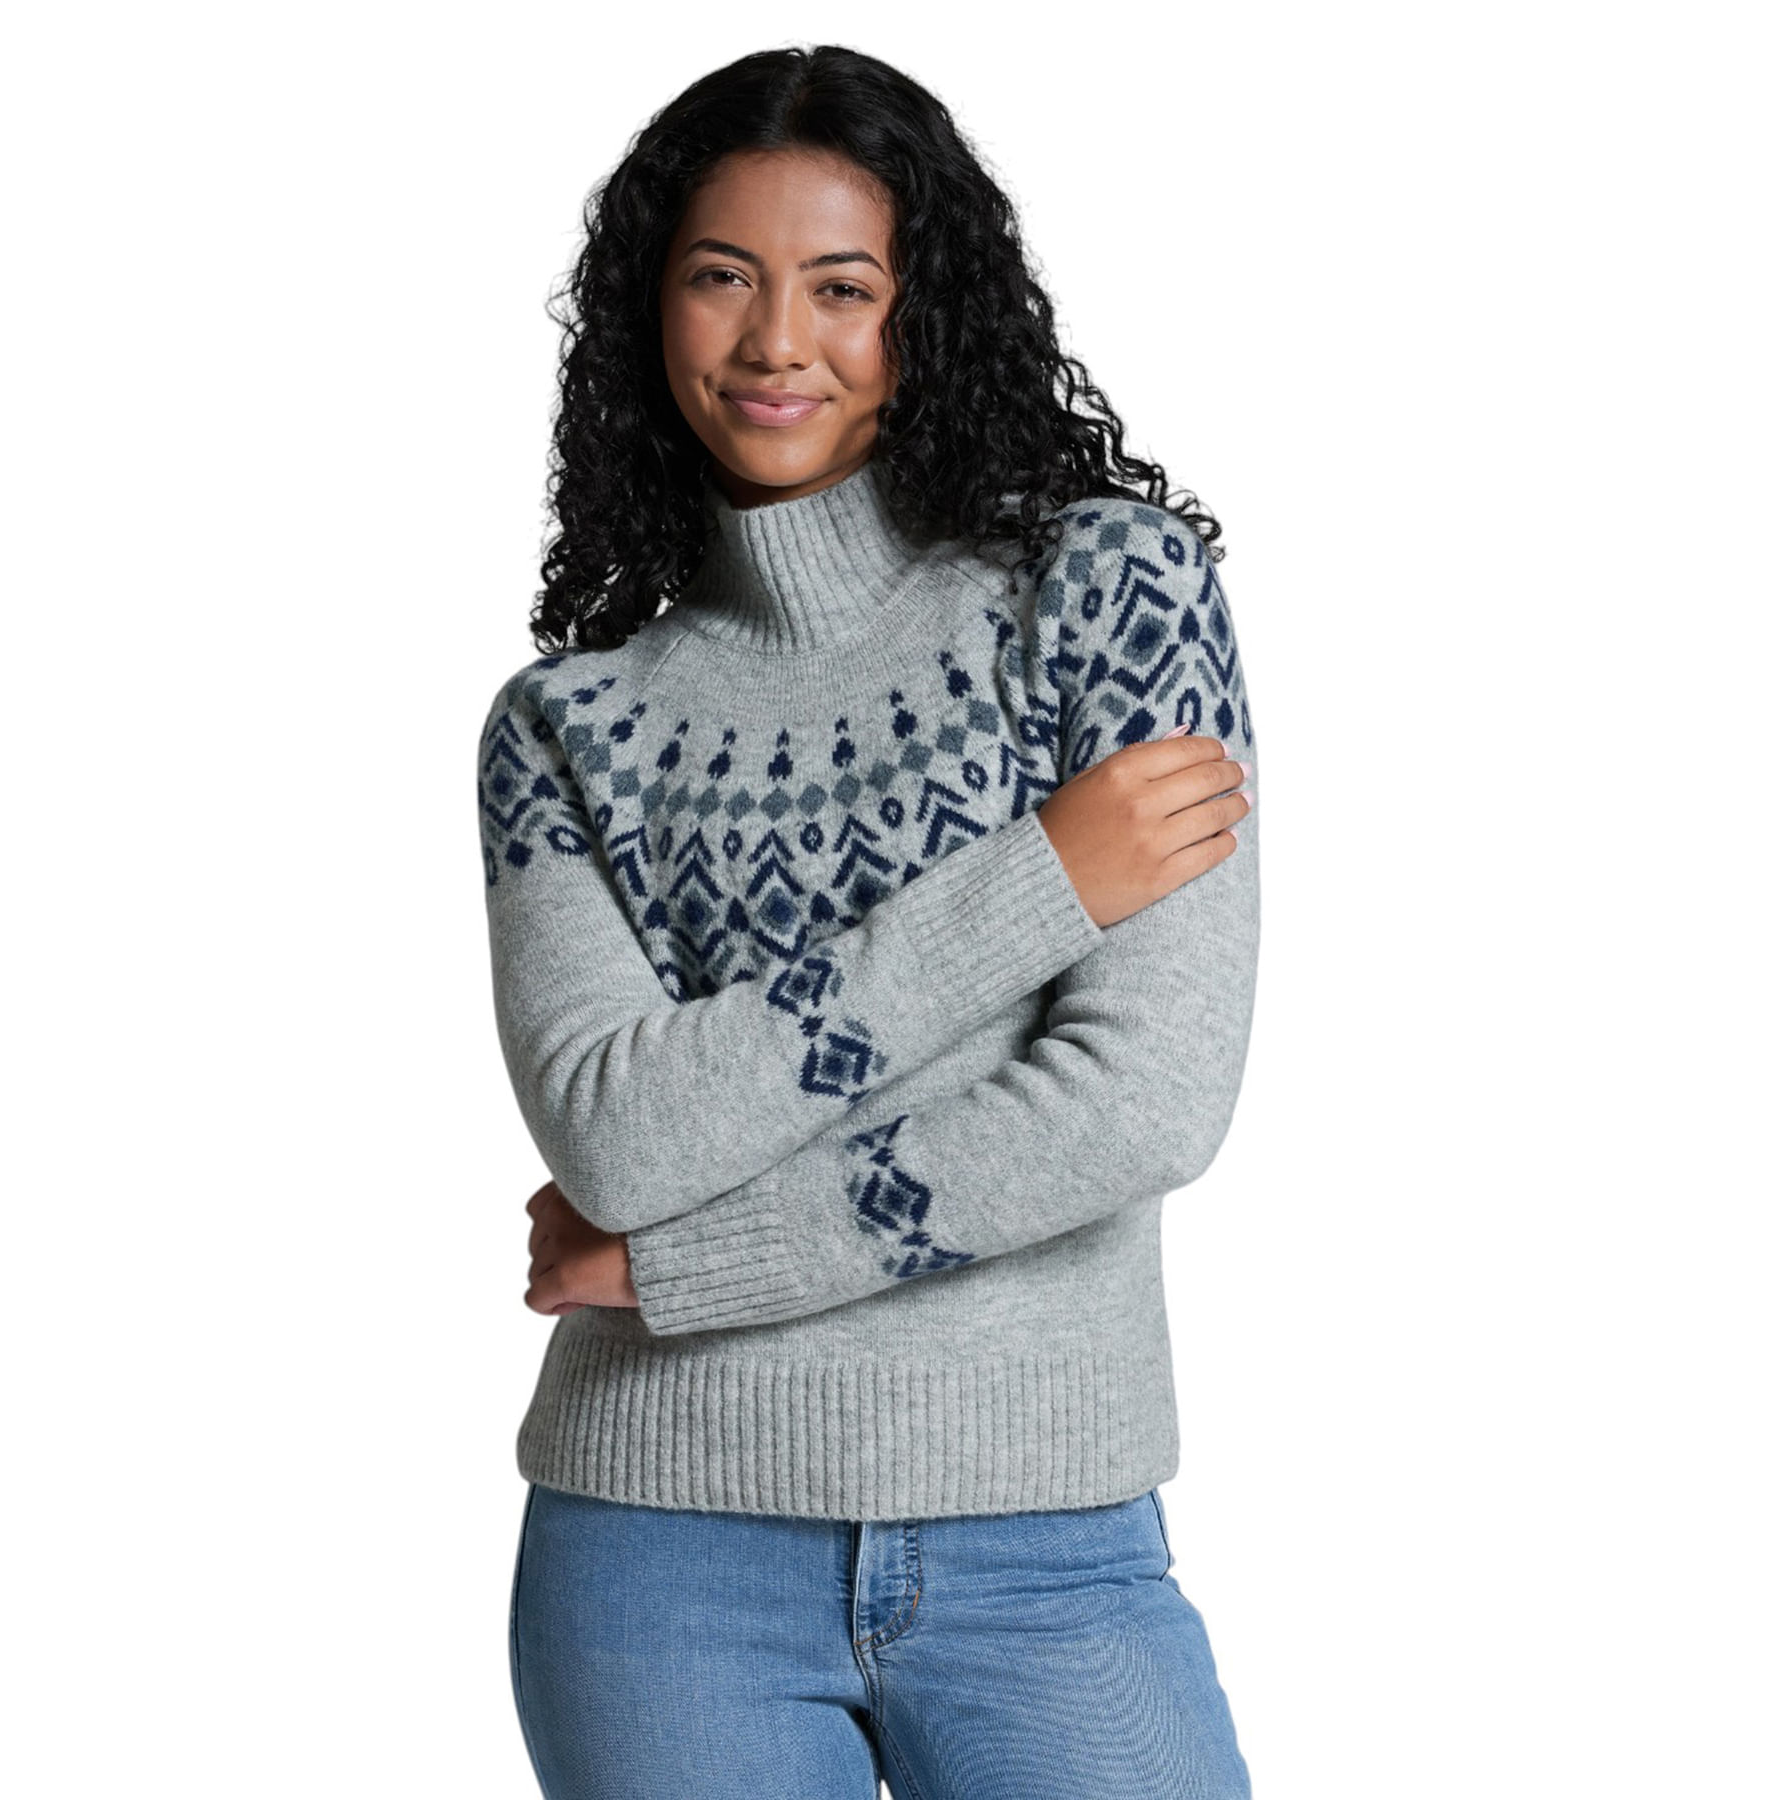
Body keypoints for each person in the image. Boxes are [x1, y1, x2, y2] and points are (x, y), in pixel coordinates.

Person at [476, 43, 1258, 1800]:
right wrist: (1042, 879)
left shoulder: (1110, 594)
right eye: (721, 277)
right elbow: (617, 1130)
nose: (777, 343)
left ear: (930, 311)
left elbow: (1142, 1103)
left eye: (843, 287)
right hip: (653, 1557)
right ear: (648, 309)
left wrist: (681, 1266)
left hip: (1048, 1542)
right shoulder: (566, 728)